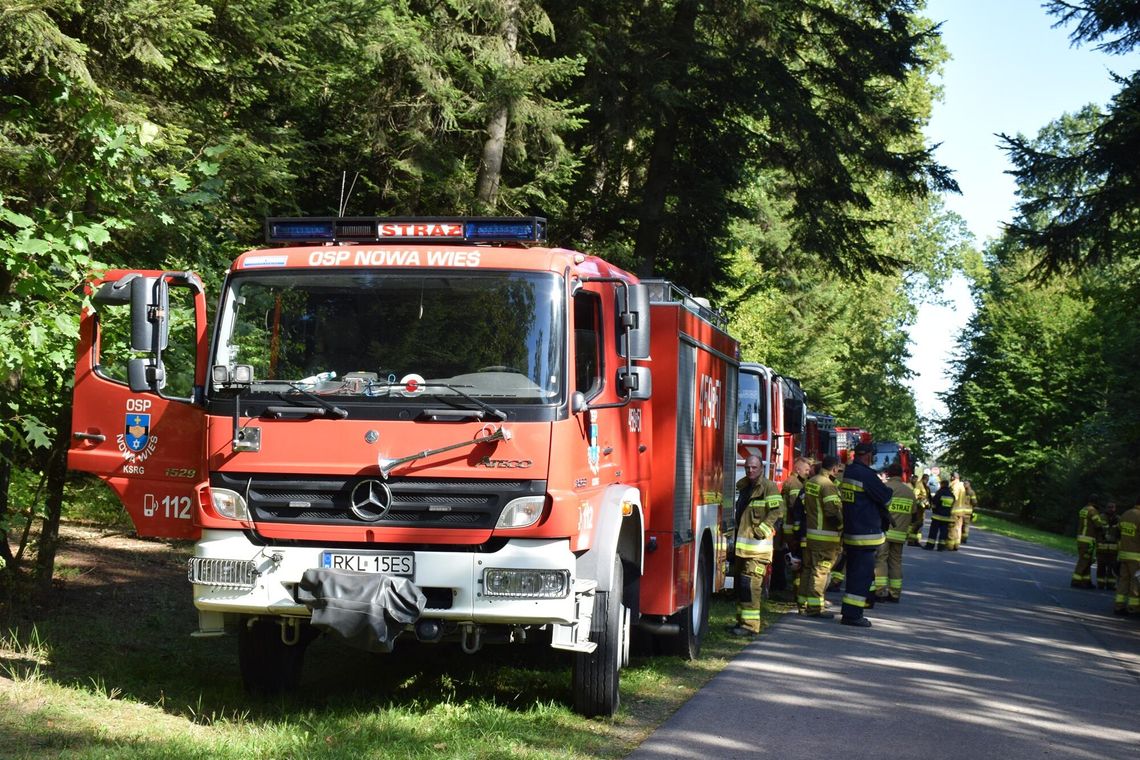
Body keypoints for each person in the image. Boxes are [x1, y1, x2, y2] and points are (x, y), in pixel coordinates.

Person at [837, 441, 893, 627]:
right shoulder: (867, 475)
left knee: (853, 574)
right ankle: (853, 615)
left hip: (851, 532)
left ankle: (850, 611)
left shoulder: (848, 472)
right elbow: (885, 496)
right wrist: (888, 487)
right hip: (865, 535)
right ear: (869, 455)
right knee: (861, 576)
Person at [730, 456, 783, 636]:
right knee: (742, 587)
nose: (750, 471)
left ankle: (750, 626)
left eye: (754, 467)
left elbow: (777, 511)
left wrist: (762, 530)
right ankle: (741, 622)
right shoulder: (744, 487)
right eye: (747, 467)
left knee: (751, 586)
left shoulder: (768, 487)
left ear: (761, 468)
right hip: (742, 549)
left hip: (758, 550)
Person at [797, 454, 843, 618]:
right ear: (835, 467)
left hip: (811, 535)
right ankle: (815, 608)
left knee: (808, 570)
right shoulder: (828, 485)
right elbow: (831, 511)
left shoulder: (811, 482)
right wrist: (841, 525)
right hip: (826, 538)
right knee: (820, 571)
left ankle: (802, 605)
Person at [873, 463, 918, 603]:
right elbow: (914, 514)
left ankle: (880, 591)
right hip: (900, 534)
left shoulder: (885, 487)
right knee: (896, 562)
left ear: (888, 473)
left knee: (881, 560)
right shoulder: (909, 492)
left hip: (884, 532)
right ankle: (895, 593)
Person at [775, 456, 812, 601]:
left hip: (788, 526)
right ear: (797, 469)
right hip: (791, 528)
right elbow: (795, 507)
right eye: (806, 469)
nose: (808, 472)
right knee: (797, 560)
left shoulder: (794, 481)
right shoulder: (795, 484)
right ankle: (798, 594)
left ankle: (796, 591)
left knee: (794, 560)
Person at [1071, 494, 1103, 589]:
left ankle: (1086, 581)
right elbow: (1098, 524)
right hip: (1088, 539)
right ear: (1095, 501)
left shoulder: (1083, 509)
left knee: (1087, 560)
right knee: (1084, 560)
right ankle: (1076, 580)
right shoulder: (1093, 511)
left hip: (1081, 538)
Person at [1114, 499, 1140, 615]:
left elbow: (1118, 530)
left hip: (1123, 554)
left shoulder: (1126, 514)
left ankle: (1119, 606)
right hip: (1136, 556)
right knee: (1135, 581)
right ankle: (1133, 608)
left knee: (1123, 580)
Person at [1096, 502, 1119, 591]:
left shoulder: (1118, 519)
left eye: (1113, 507)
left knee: (1112, 568)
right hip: (1102, 548)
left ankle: (1111, 584)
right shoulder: (1100, 517)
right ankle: (1100, 583)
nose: (1111, 509)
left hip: (1113, 549)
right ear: (1106, 508)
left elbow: (1120, 532)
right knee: (1101, 567)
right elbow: (1097, 530)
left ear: (1115, 509)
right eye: (1109, 507)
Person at [925, 479, 954, 551]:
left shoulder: (939, 493)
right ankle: (941, 547)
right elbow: (952, 505)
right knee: (943, 532)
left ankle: (930, 545)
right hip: (946, 517)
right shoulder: (951, 494)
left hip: (937, 516)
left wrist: (933, 509)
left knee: (933, 531)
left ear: (942, 484)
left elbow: (934, 503)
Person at [946, 471, 969, 550]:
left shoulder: (955, 486)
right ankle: (956, 545)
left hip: (954, 511)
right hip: (961, 511)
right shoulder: (962, 486)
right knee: (958, 528)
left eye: (950, 477)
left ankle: (950, 546)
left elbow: (953, 498)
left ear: (953, 477)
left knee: (951, 528)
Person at [907, 471, 929, 546]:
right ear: (923, 479)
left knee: (920, 524)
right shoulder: (919, 484)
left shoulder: (924, 485)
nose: (927, 481)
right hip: (918, 507)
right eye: (926, 479)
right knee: (915, 524)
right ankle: (911, 540)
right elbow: (915, 495)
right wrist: (921, 499)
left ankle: (916, 540)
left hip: (921, 509)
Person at [961, 480, 978, 544]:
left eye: (965, 483)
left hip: (962, 511)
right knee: (965, 526)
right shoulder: (971, 492)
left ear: (969, 484)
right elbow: (974, 502)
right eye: (964, 483)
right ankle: (963, 538)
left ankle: (961, 538)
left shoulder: (963, 491)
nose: (964, 485)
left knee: (962, 525)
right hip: (966, 512)